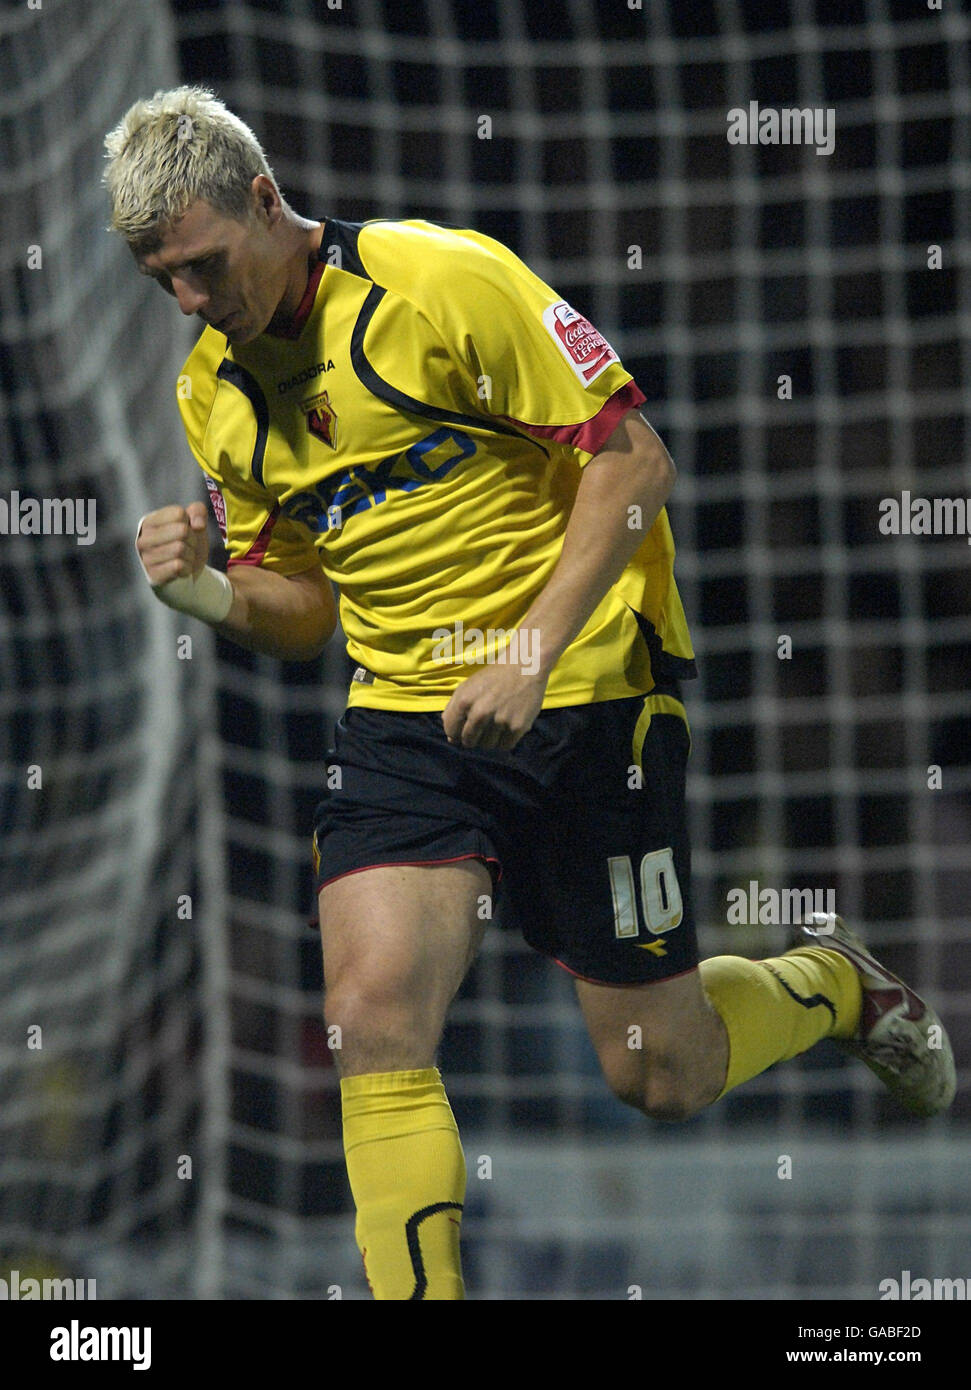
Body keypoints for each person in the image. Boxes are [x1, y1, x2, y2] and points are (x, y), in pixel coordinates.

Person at [105, 87, 955, 1301]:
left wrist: (531, 652)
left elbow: (631, 464)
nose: (191, 302)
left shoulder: (440, 281)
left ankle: (827, 985)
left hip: (590, 686)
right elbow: (301, 611)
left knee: (658, 1071)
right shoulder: (214, 392)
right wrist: (208, 599)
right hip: (405, 717)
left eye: (200, 266)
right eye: (162, 284)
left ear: (262, 201)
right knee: (372, 1007)